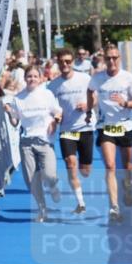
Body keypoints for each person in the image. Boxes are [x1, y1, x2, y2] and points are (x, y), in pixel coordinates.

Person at [86, 43, 132, 224]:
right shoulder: (98, 78)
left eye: (114, 58)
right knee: (110, 165)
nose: (111, 61)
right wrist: (89, 109)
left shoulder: (127, 78)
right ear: (104, 59)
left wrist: (125, 103)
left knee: (127, 165)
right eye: (108, 58)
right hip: (106, 127)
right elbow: (90, 90)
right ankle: (114, 206)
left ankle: (128, 185)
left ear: (119, 59)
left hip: (124, 125)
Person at [4, 65, 62, 222]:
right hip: (26, 143)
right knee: (31, 180)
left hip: (44, 141)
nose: (32, 79)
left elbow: (57, 111)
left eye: (35, 76)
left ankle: (53, 186)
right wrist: (9, 112)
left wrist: (55, 121)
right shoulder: (18, 98)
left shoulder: (46, 94)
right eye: (29, 76)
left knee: (50, 175)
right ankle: (42, 209)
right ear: (25, 78)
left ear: (41, 78)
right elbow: (15, 122)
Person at [48, 48, 94, 214]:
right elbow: (50, 107)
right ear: (58, 63)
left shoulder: (85, 79)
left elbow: (95, 98)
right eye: (62, 62)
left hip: (85, 127)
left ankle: (83, 170)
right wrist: (56, 117)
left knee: (85, 171)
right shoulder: (53, 85)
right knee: (70, 163)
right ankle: (80, 203)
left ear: (73, 62)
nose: (65, 64)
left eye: (68, 61)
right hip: (67, 130)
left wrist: (88, 105)